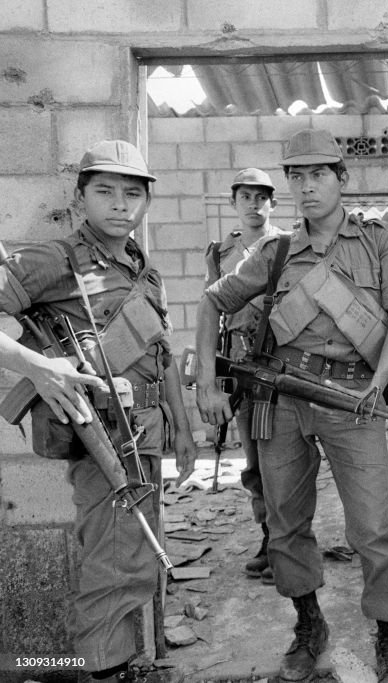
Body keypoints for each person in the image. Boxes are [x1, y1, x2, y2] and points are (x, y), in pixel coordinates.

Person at [194, 129, 388, 682]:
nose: (306, 186)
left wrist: (378, 384)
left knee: (372, 526)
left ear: (342, 179)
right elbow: (211, 301)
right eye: (297, 176)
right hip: (281, 400)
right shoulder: (274, 254)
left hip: (351, 398)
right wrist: (204, 378)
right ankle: (309, 624)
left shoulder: (377, 241)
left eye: (318, 174)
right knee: (286, 524)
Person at [0, 140, 196, 681]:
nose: (119, 204)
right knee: (115, 563)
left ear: (147, 203)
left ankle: (122, 663)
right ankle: (102, 671)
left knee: (135, 557)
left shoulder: (143, 269)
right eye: (104, 191)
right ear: (81, 196)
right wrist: (38, 368)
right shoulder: (55, 260)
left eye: (132, 193)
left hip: (148, 431)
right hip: (102, 436)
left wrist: (183, 428)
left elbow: (163, 355)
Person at [204, 167, 286, 584]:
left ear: (273, 203)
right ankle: (269, 538)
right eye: (246, 197)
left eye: (262, 197)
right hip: (239, 365)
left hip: (276, 363)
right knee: (254, 462)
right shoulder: (220, 253)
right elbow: (212, 312)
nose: (254, 205)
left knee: (282, 460)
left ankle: (288, 545)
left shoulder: (286, 246)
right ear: (233, 202)